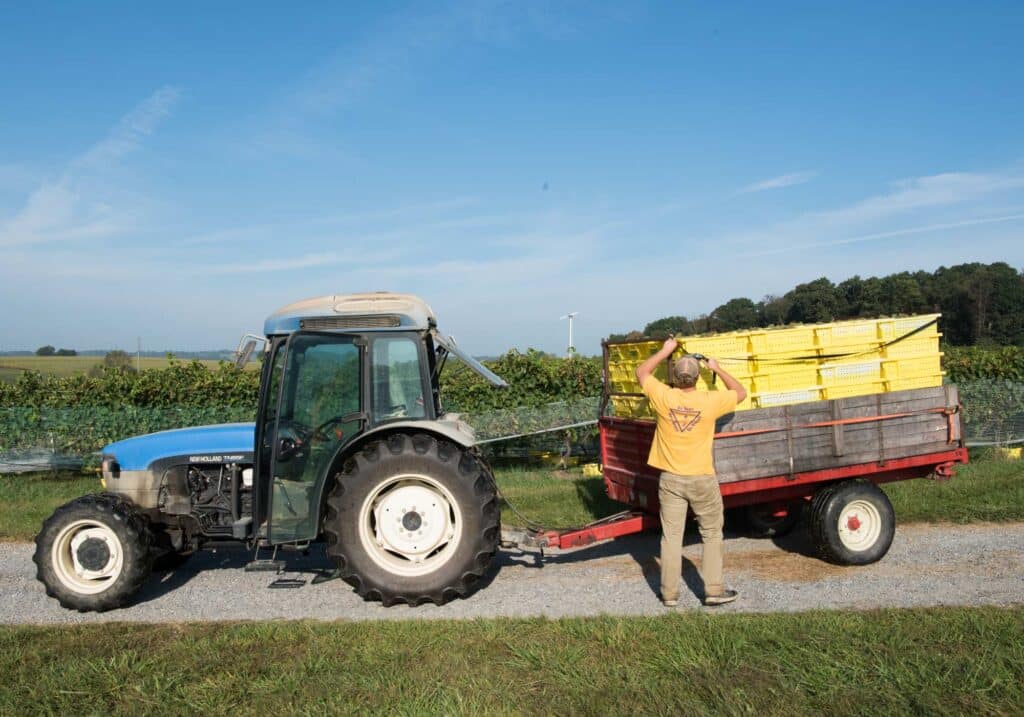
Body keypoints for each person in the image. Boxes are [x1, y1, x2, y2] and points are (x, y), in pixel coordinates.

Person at [635, 338, 747, 607]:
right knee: (711, 533)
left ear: (674, 376)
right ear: (697, 378)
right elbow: (740, 392)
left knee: (672, 538)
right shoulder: (710, 401)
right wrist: (717, 369)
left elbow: (641, 373)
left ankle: (670, 595)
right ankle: (713, 590)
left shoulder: (664, 396)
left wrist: (665, 350)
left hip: (671, 479)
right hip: (701, 479)